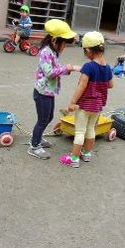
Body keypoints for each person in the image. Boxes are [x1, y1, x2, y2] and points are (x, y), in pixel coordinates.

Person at [28, 19, 81, 159]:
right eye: (64, 43)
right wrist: (67, 68)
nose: (64, 46)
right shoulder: (45, 52)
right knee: (42, 119)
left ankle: (37, 138)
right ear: (54, 40)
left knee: (49, 117)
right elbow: (49, 72)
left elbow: (57, 69)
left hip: (49, 92)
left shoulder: (54, 53)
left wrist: (67, 70)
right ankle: (34, 145)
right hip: (42, 92)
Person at [60, 31, 113, 168]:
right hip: (98, 106)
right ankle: (86, 153)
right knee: (91, 129)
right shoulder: (107, 67)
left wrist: (72, 102)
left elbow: (82, 86)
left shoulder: (89, 66)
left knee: (79, 131)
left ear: (89, 51)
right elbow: (111, 85)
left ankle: (74, 158)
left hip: (84, 105)